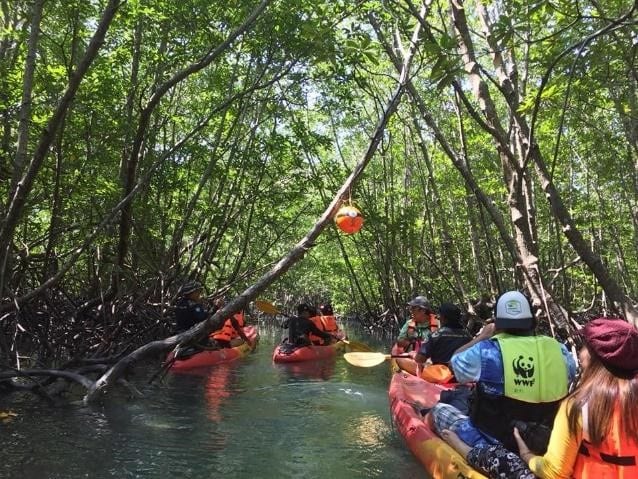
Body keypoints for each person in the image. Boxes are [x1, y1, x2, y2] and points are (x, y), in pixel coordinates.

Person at [442, 317, 638, 479]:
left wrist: (527, 456)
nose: (580, 353)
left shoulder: (578, 406)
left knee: (502, 458)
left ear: (595, 357)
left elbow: (554, 472)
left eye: (585, 347)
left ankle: (461, 446)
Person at [428, 290, 577, 454]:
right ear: (533, 322)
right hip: (543, 440)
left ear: (497, 325)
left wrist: (482, 336)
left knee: (438, 410)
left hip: (494, 441)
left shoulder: (486, 350)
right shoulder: (559, 349)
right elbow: (570, 375)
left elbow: (454, 363)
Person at [414, 303, 472, 383]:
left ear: (444, 318)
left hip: (440, 375)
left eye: (440, 316)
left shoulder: (436, 335)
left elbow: (419, 359)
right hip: (462, 376)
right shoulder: (468, 336)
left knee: (401, 361)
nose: (438, 318)